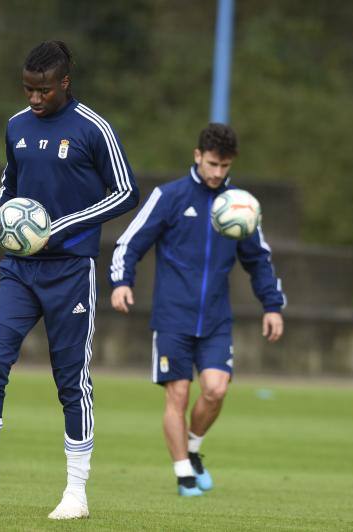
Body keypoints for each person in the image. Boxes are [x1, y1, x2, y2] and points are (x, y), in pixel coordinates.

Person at [0, 41, 139, 519]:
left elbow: (126, 192)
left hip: (70, 273)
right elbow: (8, 190)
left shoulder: (93, 129)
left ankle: (76, 494)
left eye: (43, 90)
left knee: (70, 382)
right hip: (19, 271)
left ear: (65, 84)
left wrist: (59, 228)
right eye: (28, 89)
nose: (34, 99)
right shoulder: (16, 126)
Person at [109, 123, 285, 497]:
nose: (216, 173)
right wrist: (122, 282)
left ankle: (192, 451)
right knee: (178, 395)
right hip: (173, 317)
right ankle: (183, 474)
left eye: (224, 167)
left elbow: (259, 261)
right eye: (211, 164)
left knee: (216, 390)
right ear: (197, 156)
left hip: (216, 320)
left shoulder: (239, 206)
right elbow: (130, 242)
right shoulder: (169, 197)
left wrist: (272, 306)